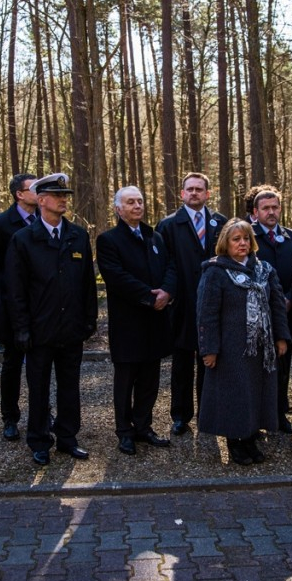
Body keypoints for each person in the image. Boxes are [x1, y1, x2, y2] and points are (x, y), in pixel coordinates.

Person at [7, 173, 98, 466]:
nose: (63, 201)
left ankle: (68, 438)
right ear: (42, 200)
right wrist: (21, 328)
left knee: (70, 386)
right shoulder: (23, 239)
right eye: (57, 196)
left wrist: (89, 320)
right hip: (39, 330)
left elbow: (87, 283)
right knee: (39, 388)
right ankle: (39, 441)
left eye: (65, 196)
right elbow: (16, 289)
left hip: (71, 328)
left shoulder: (78, 235)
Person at [196, 218, 289, 466]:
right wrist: (209, 349)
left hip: (261, 348)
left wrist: (281, 338)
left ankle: (249, 439)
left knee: (256, 395)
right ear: (225, 244)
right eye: (236, 239)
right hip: (231, 349)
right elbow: (207, 314)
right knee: (235, 395)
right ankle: (235, 443)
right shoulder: (215, 271)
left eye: (246, 238)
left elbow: (277, 306)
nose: (242, 243)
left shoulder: (264, 270)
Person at [96, 186, 175, 455]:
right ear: (118, 209)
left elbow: (171, 267)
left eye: (140, 201)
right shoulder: (108, 240)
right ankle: (125, 431)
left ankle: (143, 426)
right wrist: (149, 297)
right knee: (126, 380)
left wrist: (167, 291)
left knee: (150, 380)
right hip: (129, 322)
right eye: (130, 202)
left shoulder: (156, 237)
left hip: (156, 321)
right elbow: (116, 277)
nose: (137, 206)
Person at [157, 172, 226, 436]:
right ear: (182, 193)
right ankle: (180, 415)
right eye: (190, 189)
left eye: (199, 189)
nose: (194, 193)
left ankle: (207, 414)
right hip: (183, 304)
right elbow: (165, 265)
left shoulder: (220, 223)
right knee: (182, 363)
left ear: (208, 194)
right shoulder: (169, 225)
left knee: (210, 361)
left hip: (213, 304)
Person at [0, 172, 37, 441]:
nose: (40, 193)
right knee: (12, 363)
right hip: (10, 306)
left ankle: (42, 412)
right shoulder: (0, 223)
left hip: (41, 306)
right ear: (19, 194)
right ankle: (10, 417)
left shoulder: (45, 218)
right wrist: (2, 298)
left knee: (40, 364)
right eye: (34, 188)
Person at [250, 187, 292, 434]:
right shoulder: (248, 238)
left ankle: (280, 415)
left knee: (283, 367)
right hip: (257, 316)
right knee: (258, 368)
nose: (271, 212)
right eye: (266, 208)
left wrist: (289, 299)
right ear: (255, 212)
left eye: (275, 207)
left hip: (286, 314)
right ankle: (258, 418)